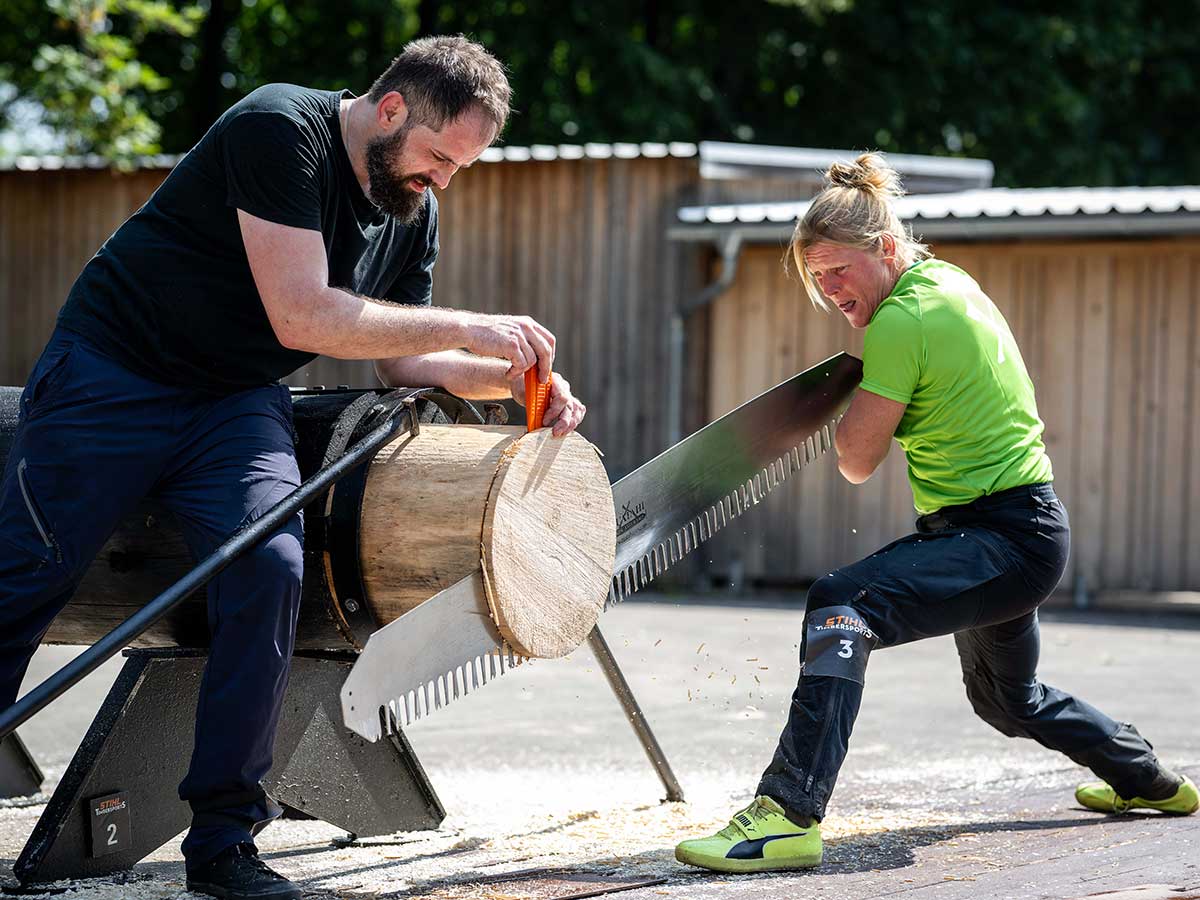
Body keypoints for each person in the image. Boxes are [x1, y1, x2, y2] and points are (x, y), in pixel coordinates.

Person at [0, 36, 586, 900]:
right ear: (390, 109)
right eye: (437, 157)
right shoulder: (280, 127)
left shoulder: (411, 204)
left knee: (270, 570)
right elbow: (304, 316)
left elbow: (402, 361)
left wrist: (515, 379)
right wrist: (473, 324)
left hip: (232, 401)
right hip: (113, 375)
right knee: (26, 574)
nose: (442, 182)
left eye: (460, 168)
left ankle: (225, 842)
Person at [674, 152, 1197, 874]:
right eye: (817, 278)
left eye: (838, 272)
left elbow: (857, 462)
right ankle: (1151, 781)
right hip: (1027, 534)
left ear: (886, 249)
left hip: (999, 537)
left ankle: (789, 814)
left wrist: (850, 395)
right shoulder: (949, 283)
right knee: (1009, 703)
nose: (830, 292)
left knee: (840, 604)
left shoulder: (903, 319)